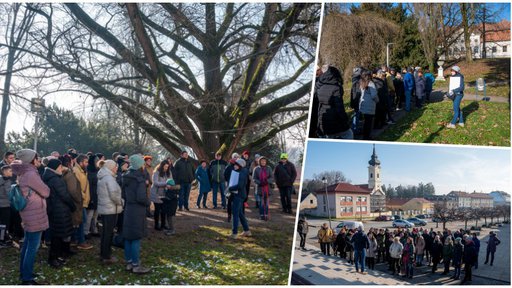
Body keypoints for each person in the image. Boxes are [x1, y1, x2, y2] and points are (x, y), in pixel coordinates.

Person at [11, 149, 50, 284]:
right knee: (32, 246)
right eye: (36, 157)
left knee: (28, 243)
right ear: (31, 160)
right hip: (34, 212)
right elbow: (45, 191)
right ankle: (27, 278)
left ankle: (24, 272)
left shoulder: (23, 172)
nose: (38, 160)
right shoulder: (31, 174)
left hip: (28, 211)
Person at [122, 155, 151, 274]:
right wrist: (148, 203)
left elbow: (123, 194)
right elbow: (141, 197)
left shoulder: (126, 176)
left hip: (128, 208)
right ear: (139, 165)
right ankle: (136, 265)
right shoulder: (139, 179)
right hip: (137, 210)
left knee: (129, 237)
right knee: (136, 238)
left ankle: (129, 263)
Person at [313, 65, 352, 139]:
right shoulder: (336, 88)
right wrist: (345, 120)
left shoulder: (318, 85)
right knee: (349, 134)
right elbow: (339, 108)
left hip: (322, 120)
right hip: (335, 120)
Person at [97, 160, 123, 264]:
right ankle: (106, 256)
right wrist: (121, 202)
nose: (117, 168)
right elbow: (114, 195)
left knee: (105, 233)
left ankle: (104, 253)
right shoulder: (109, 178)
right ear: (111, 167)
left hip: (105, 208)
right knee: (108, 233)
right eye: (116, 166)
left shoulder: (104, 177)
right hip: (110, 209)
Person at [72, 154, 93, 250]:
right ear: (80, 163)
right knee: (81, 221)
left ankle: (76, 239)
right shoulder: (76, 171)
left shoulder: (83, 170)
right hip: (79, 200)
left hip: (83, 201)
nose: (87, 164)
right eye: (86, 162)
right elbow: (76, 187)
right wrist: (83, 196)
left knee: (80, 221)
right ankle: (80, 241)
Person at [228, 158, 251, 239]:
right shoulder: (241, 172)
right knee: (240, 213)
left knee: (235, 213)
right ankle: (247, 230)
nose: (234, 166)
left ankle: (234, 233)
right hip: (240, 195)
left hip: (239, 195)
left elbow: (240, 186)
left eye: (236, 165)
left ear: (240, 166)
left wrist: (230, 188)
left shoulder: (242, 173)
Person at [150, 160, 171, 230]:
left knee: (164, 210)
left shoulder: (167, 173)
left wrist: (170, 184)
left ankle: (163, 224)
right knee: (157, 210)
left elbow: (170, 180)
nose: (166, 168)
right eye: (165, 166)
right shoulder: (156, 172)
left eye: (167, 167)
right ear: (162, 166)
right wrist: (165, 184)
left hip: (164, 194)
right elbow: (155, 183)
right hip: (156, 194)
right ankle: (156, 225)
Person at [359, 69, 379, 140]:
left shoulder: (361, 82)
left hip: (363, 104)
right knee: (369, 123)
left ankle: (365, 136)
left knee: (365, 122)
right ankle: (367, 137)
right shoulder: (370, 83)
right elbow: (374, 95)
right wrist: (377, 101)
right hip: (370, 105)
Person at [252, 156, 274, 220]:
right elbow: (254, 178)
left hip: (267, 188)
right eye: (262, 161)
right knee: (261, 203)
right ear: (259, 161)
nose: (263, 162)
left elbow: (272, 177)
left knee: (266, 202)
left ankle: (266, 215)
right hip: (260, 188)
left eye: (264, 161)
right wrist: (260, 182)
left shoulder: (269, 168)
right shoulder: (256, 169)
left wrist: (267, 181)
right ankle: (261, 215)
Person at [85, 154, 99, 238]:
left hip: (97, 196)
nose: (97, 162)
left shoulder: (97, 171)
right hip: (91, 197)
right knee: (89, 216)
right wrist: (91, 199)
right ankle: (86, 232)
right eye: (96, 161)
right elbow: (89, 187)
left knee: (95, 216)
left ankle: (94, 230)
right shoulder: (89, 172)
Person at [224, 153, 239, 222]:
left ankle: (236, 216)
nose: (236, 158)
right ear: (232, 158)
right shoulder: (229, 166)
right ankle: (229, 216)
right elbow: (225, 175)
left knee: (236, 202)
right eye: (235, 157)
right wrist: (229, 182)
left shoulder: (239, 166)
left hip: (237, 187)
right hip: (230, 186)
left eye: (237, 157)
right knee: (229, 201)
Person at [0, 165, 12, 247]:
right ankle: (2, 240)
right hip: (5, 205)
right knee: (4, 224)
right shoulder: (7, 181)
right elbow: (9, 194)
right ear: (4, 172)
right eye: (10, 171)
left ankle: (3, 237)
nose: (12, 172)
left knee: (1, 223)